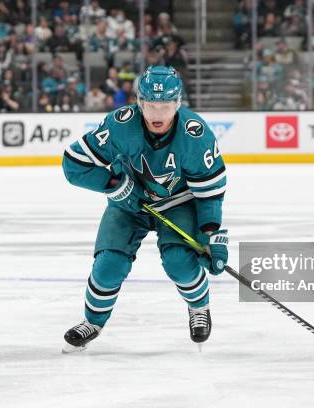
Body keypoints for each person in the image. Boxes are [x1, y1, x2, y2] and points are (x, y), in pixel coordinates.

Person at [61, 66, 228, 352]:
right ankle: (93, 321)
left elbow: (210, 192)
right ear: (140, 102)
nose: (157, 114)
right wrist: (114, 184)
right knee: (108, 265)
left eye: (164, 106)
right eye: (150, 105)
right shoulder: (120, 125)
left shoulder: (195, 135)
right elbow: (73, 163)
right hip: (128, 204)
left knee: (180, 262)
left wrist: (210, 232)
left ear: (177, 103)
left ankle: (199, 307)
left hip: (178, 203)